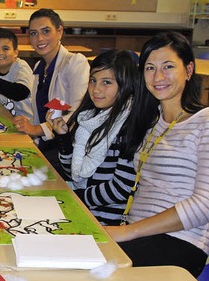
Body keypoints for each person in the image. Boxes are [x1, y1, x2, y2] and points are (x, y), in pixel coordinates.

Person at [104, 32, 209, 277]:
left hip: (179, 242)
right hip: (137, 234)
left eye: (168, 66)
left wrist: (127, 233)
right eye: (150, 68)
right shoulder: (151, 122)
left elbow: (205, 205)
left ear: (189, 69)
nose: (158, 77)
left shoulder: (204, 122)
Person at [47, 49, 144, 226]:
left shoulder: (130, 127)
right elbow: (74, 174)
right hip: (84, 209)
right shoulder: (90, 118)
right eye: (93, 80)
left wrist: (75, 197)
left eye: (106, 82)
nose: (96, 89)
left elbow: (121, 188)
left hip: (105, 221)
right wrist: (64, 138)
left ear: (126, 85)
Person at [12, 8, 89, 177]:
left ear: (60, 31)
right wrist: (28, 124)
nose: (39, 39)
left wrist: (35, 129)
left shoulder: (75, 63)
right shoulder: (39, 68)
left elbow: (78, 112)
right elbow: (41, 112)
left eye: (46, 31)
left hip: (67, 149)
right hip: (45, 146)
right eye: (34, 33)